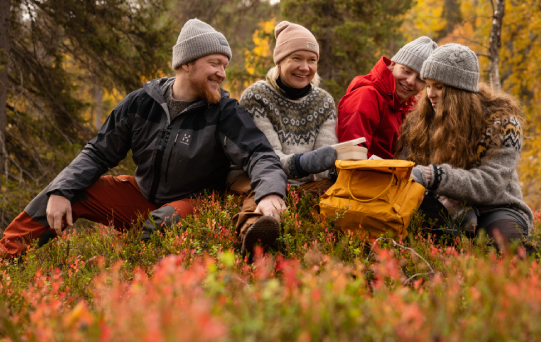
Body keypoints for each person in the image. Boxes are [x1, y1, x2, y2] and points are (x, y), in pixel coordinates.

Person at [0, 19, 288, 258]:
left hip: (194, 203)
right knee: (63, 190)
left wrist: (271, 193)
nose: (222, 73)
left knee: (160, 223)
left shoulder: (224, 112)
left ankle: (134, 280)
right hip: (141, 196)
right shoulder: (141, 103)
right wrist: (62, 191)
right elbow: (98, 153)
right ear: (186, 63)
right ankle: (6, 257)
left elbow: (259, 155)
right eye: (215, 63)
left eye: (225, 65)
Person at [399, 43, 533, 249]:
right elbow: (408, 169)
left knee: (509, 248)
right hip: (444, 206)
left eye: (439, 87)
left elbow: (488, 185)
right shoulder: (421, 121)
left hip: (495, 207)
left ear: (460, 90)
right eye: (428, 85)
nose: (430, 94)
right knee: (416, 229)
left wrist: (433, 175)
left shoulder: (502, 123)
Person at [229, 21, 338, 253]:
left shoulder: (324, 101)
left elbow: (323, 160)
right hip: (256, 174)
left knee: (340, 192)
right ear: (279, 61)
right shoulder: (256, 96)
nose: (305, 67)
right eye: (296, 58)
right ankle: (255, 233)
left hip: (304, 181)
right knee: (261, 188)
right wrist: (306, 163)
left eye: (312, 60)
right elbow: (267, 159)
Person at [336, 37, 438, 159]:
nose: (410, 81)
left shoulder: (416, 105)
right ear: (393, 64)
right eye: (406, 71)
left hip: (396, 175)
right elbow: (351, 156)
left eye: (420, 79)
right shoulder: (366, 96)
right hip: (366, 176)